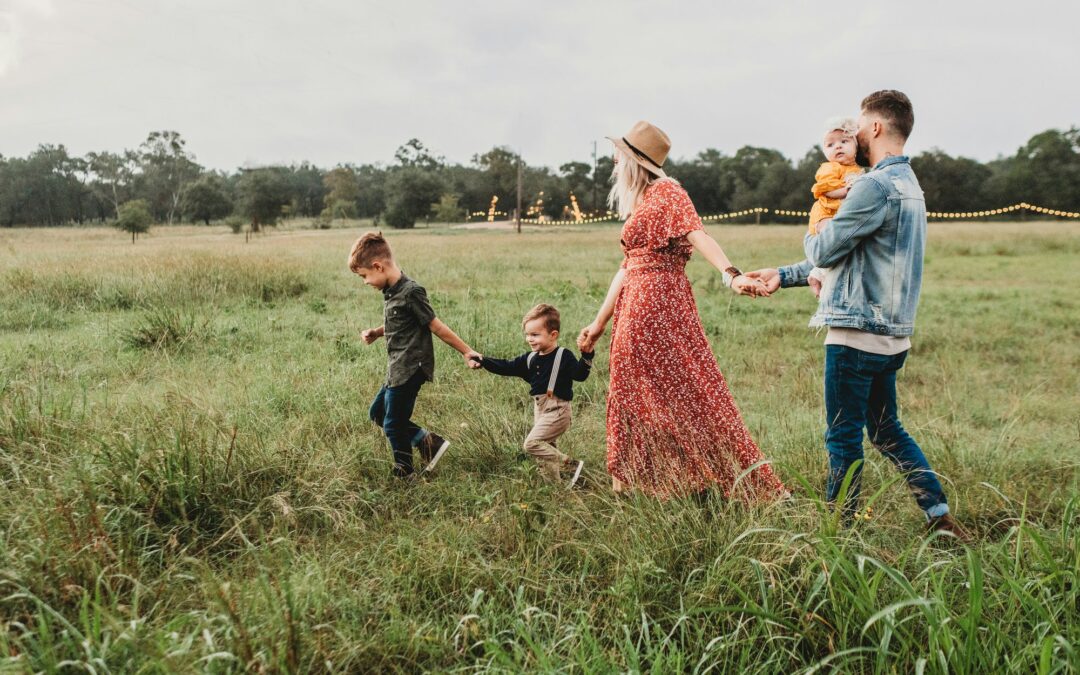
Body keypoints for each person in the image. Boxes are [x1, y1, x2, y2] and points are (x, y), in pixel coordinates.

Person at [747, 90, 968, 539]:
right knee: (887, 432)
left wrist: (818, 228)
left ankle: (838, 530)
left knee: (842, 436)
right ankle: (939, 517)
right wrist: (784, 275)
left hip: (855, 334)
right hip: (892, 337)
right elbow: (854, 255)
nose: (854, 135)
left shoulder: (872, 185)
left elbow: (826, 247)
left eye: (859, 126)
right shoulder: (910, 186)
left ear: (877, 128)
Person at [577, 120, 787, 500]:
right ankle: (640, 484)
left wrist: (731, 275)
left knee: (685, 390)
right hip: (637, 302)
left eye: (618, 155)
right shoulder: (643, 201)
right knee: (634, 392)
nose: (613, 161)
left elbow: (698, 234)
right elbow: (626, 267)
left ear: (635, 161)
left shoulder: (668, 192)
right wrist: (598, 323)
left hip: (657, 303)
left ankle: (697, 479)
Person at [348, 232, 482, 479]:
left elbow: (435, 325)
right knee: (377, 413)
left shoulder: (411, 292)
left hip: (411, 368)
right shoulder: (391, 291)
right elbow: (399, 323)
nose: (365, 282)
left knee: (393, 424)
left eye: (364, 276)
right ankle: (428, 443)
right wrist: (377, 332)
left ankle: (405, 472)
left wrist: (467, 352)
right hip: (396, 367)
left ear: (378, 266)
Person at [472, 304, 592, 487]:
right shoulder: (530, 358)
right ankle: (555, 488)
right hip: (540, 409)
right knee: (546, 451)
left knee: (532, 444)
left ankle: (570, 465)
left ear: (553, 335)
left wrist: (587, 355)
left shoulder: (563, 356)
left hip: (558, 410)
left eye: (535, 335)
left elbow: (580, 375)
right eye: (527, 334)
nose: (530, 339)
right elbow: (506, 366)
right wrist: (483, 360)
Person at [806, 117, 865, 294]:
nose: (837, 146)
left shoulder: (857, 169)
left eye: (844, 141)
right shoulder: (830, 167)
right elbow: (826, 190)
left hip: (839, 213)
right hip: (825, 213)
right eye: (830, 145)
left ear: (855, 146)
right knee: (832, 239)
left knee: (841, 245)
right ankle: (819, 276)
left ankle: (817, 274)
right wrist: (846, 191)